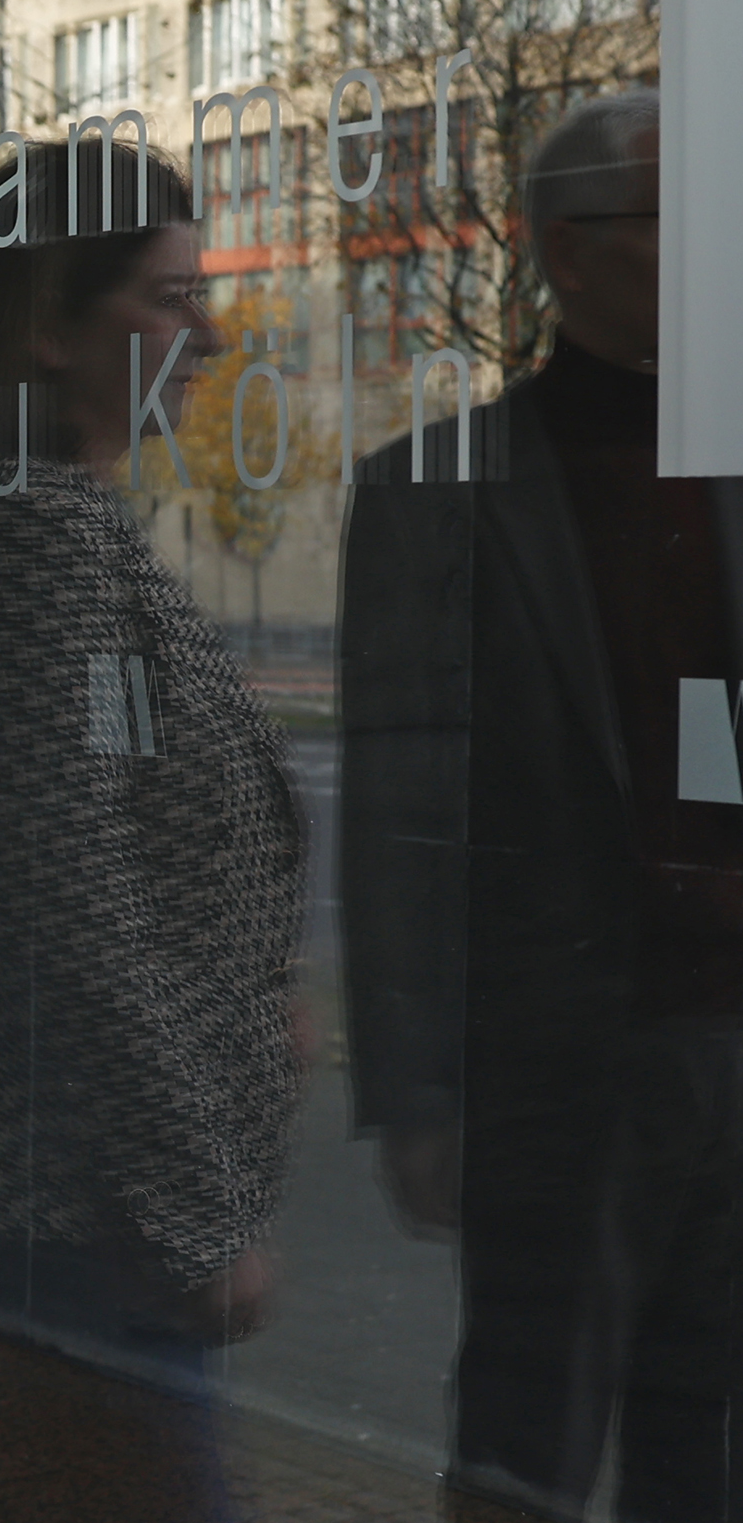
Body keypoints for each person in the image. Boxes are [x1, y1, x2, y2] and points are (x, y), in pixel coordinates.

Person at [0, 139, 305, 1521]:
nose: (211, 334)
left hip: (61, 1198)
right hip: (76, 1207)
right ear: (49, 324)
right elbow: (77, 904)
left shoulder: (43, 519)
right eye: (171, 297)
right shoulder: (24, 538)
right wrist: (194, 1214)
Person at [339, 91, 741, 1521]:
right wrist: (417, 1092)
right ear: (570, 253)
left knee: (711, 1446)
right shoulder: (439, 497)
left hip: (726, 1045)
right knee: (530, 1445)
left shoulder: (730, 471)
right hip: (555, 1073)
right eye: (676, 226)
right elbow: (395, 814)